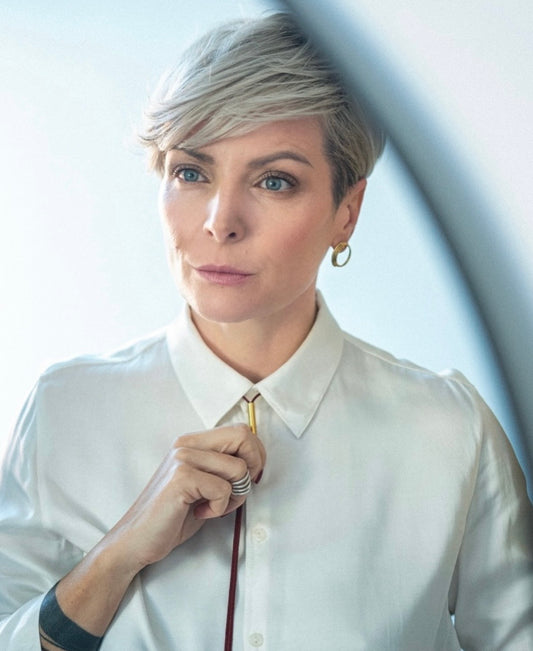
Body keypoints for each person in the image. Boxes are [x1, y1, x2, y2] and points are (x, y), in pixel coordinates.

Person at [1, 11, 532, 651]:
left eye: (274, 181)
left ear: (347, 212)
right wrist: (117, 555)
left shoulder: (449, 431)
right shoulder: (66, 411)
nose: (221, 221)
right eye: (191, 172)